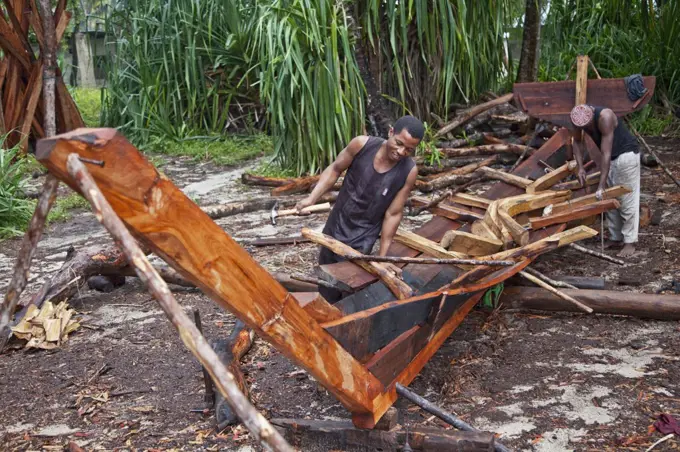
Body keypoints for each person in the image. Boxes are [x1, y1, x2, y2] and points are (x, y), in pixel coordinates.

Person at [295, 115, 423, 302]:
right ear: (390, 132)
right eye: (399, 143)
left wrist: (383, 257)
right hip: (337, 222)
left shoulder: (408, 171)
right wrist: (311, 198)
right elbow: (335, 169)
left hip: (364, 234)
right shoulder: (362, 145)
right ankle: (322, 311)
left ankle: (341, 319)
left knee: (350, 282)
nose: (401, 152)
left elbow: (393, 213)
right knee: (326, 275)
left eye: (409, 150)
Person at [569, 104, 641, 258]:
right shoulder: (577, 118)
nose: (585, 129)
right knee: (609, 199)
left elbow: (605, 153)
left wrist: (601, 185)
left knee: (627, 198)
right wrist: (580, 167)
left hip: (626, 156)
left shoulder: (605, 117)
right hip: (611, 158)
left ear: (591, 115)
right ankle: (616, 238)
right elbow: (576, 141)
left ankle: (630, 242)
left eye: (587, 126)